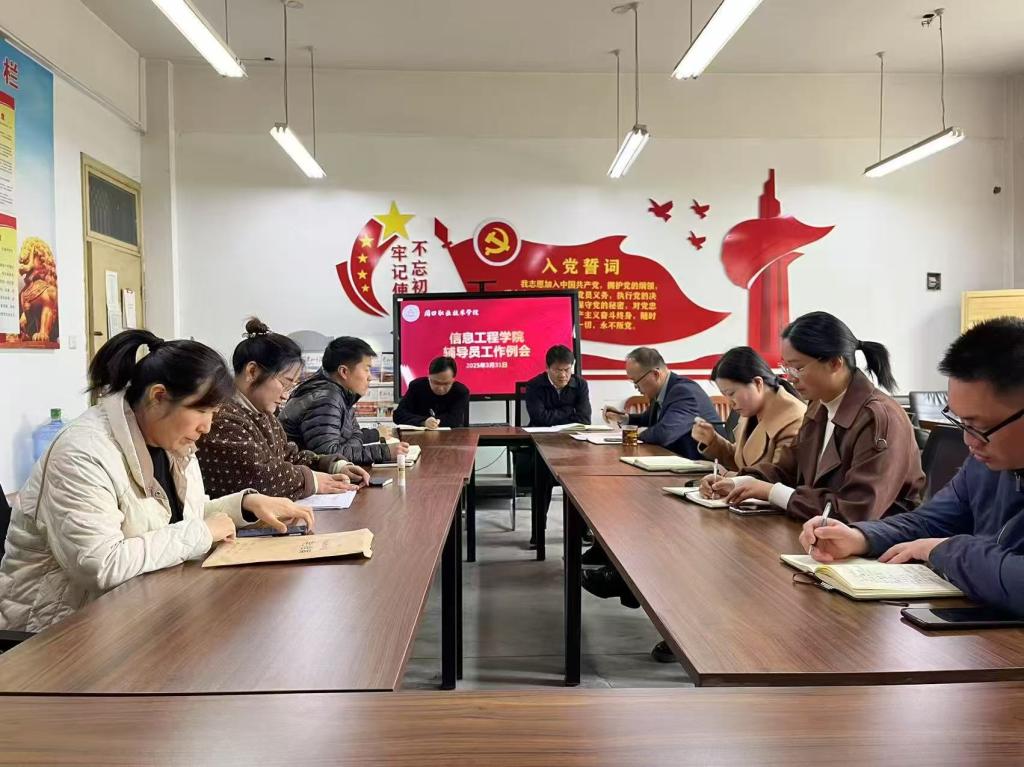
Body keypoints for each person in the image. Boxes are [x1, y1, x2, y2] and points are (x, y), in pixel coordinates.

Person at [0, 330, 314, 633]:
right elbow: (100, 564)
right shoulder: (83, 453)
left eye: (214, 412)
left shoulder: (170, 440)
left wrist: (244, 505)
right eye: (202, 410)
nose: (207, 427)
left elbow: (175, 519)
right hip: (58, 633)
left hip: (139, 615)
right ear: (158, 396)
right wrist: (204, 532)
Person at [799, 317, 1024, 616]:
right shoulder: (983, 464)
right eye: (961, 422)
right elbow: (931, 521)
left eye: (978, 427)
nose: (968, 441)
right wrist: (860, 537)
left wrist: (943, 550)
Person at [703, 311, 924, 523]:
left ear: (835, 363)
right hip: (817, 530)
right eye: (786, 367)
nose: (790, 378)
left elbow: (856, 510)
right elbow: (787, 468)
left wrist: (771, 492)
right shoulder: (819, 405)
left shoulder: (879, 418)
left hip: (877, 543)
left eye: (797, 368)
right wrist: (737, 482)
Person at [197, 318, 369, 501]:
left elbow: (288, 456)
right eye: (284, 383)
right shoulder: (221, 417)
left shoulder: (264, 414)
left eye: (291, 387)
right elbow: (258, 477)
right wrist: (313, 480)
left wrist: (333, 466)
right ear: (252, 371)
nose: (286, 395)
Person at [280, 336, 409, 465]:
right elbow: (329, 456)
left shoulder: (341, 394)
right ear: (343, 372)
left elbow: (355, 435)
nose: (370, 377)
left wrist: (350, 442)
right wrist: (384, 452)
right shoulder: (326, 398)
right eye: (366, 369)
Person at [518, 344, 592, 548]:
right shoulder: (535, 385)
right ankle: (538, 533)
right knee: (542, 477)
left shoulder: (580, 384)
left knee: (583, 477)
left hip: (573, 444)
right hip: (542, 443)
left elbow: (584, 419)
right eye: (558, 370)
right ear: (548, 368)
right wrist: (569, 412)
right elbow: (539, 418)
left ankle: (583, 530)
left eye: (567, 369)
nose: (563, 375)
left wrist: (556, 416)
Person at [692, 346, 806, 473]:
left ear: (757, 383)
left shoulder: (793, 421)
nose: (730, 403)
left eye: (731, 393)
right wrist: (712, 440)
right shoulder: (752, 411)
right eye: (725, 395)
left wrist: (726, 478)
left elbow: (776, 477)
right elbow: (743, 460)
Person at [602, 347, 719, 459]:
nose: (636, 388)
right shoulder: (662, 390)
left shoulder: (683, 392)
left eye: (636, 382)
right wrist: (623, 418)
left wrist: (634, 433)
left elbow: (665, 433)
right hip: (676, 459)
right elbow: (646, 419)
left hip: (703, 465)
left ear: (655, 374)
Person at [393, 356, 470, 428]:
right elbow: (398, 415)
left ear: (453, 379)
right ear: (429, 376)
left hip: (450, 436)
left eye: (446, 384)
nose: (440, 388)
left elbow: (455, 420)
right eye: (436, 383)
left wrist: (434, 422)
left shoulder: (461, 392)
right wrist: (423, 422)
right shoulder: (416, 386)